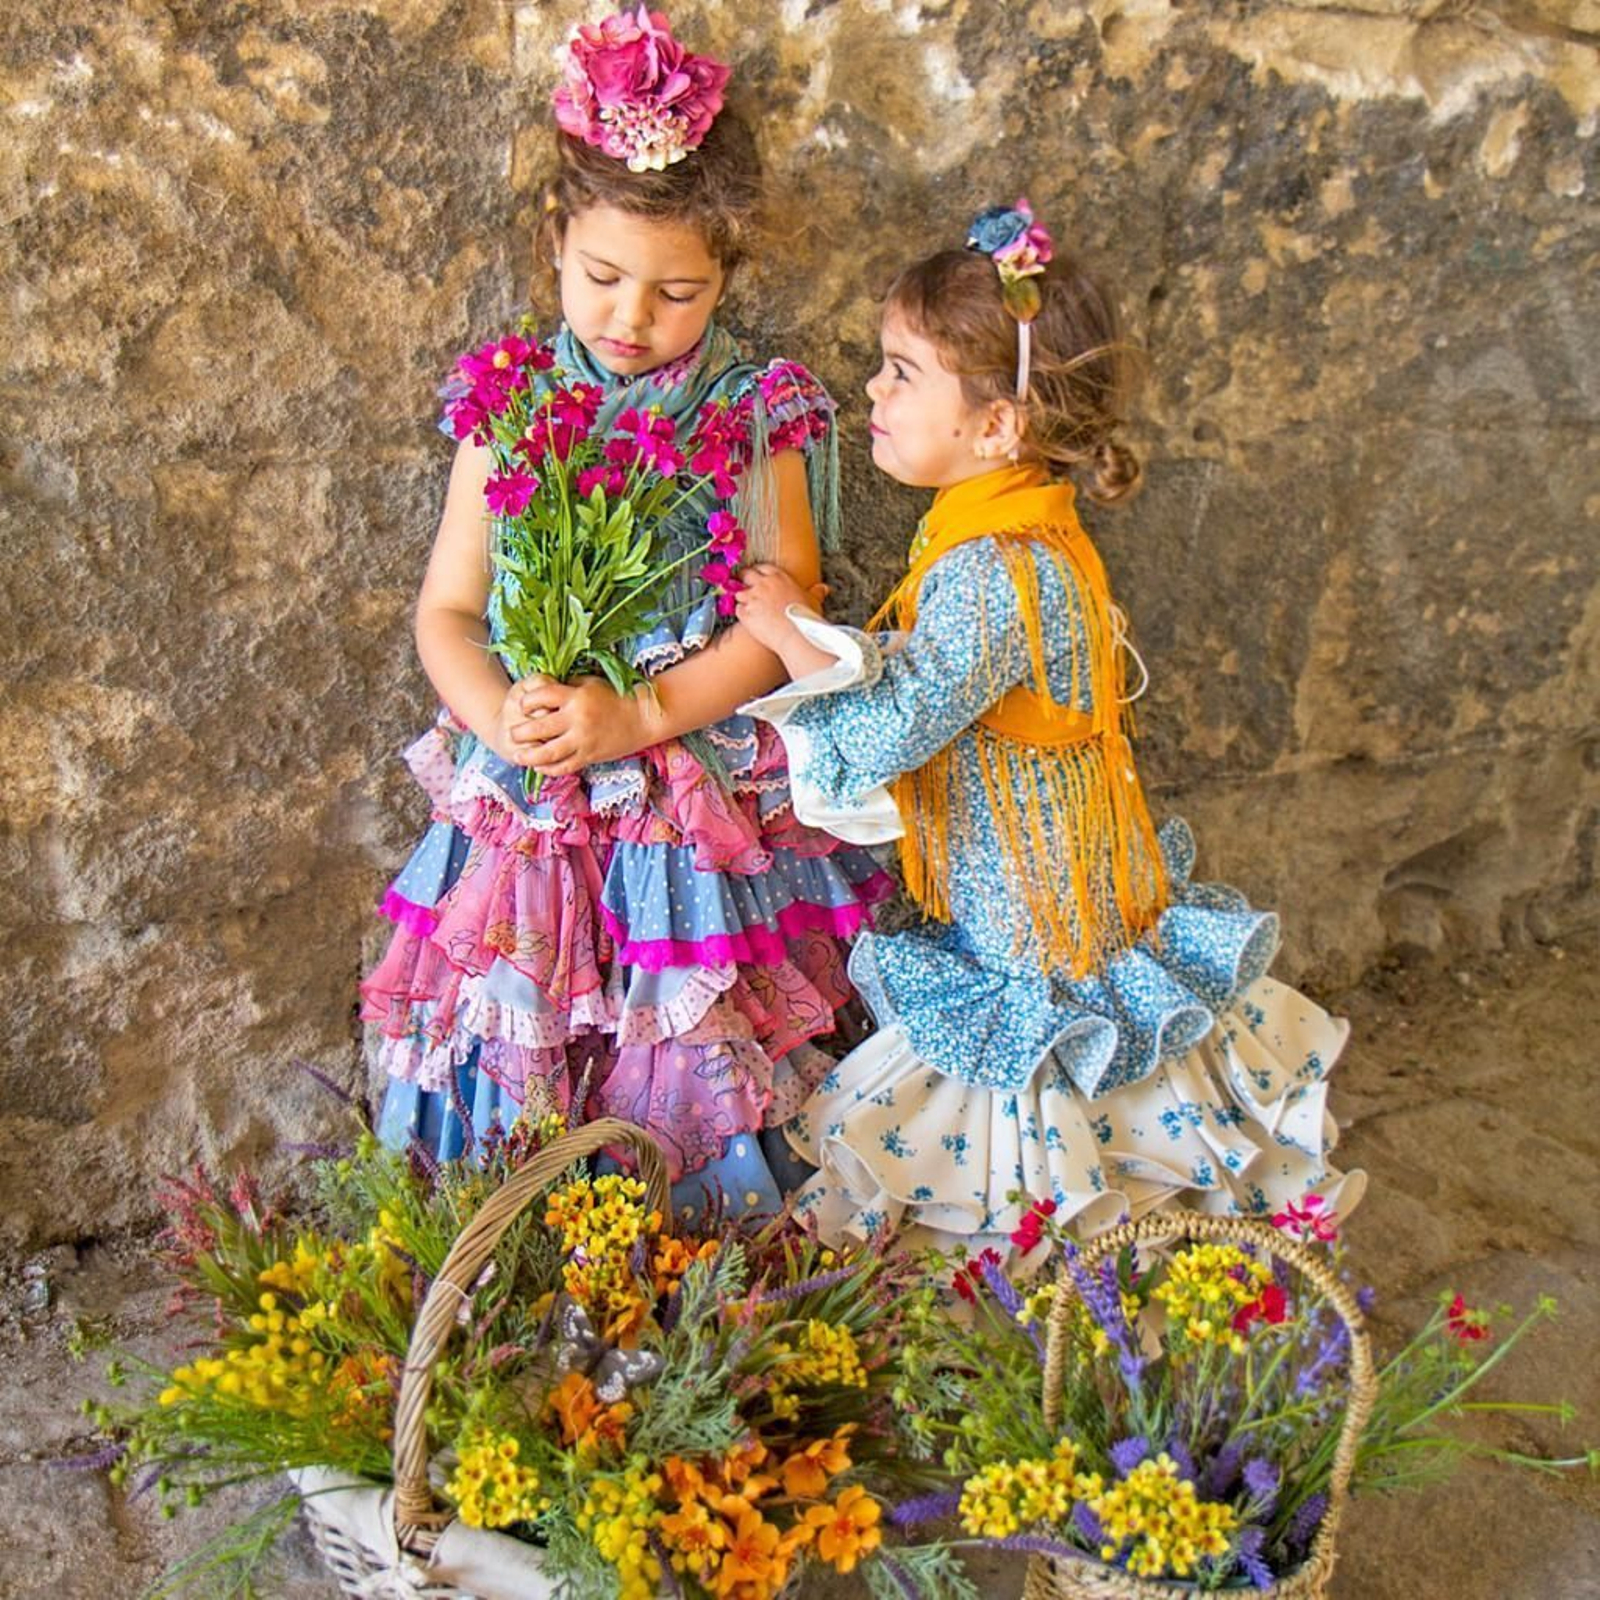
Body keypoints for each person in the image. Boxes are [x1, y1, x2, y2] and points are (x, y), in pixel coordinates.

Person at [734, 200, 1365, 1249]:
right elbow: (949, 678)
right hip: (1054, 878)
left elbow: (895, 729)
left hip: (1034, 911)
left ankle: (1062, 1256)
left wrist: (793, 640)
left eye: (902, 372)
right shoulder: (1014, 521)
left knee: (1046, 1073)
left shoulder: (994, 567)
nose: (874, 394)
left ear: (996, 426)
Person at [360, 8, 891, 1215]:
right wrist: (505, 720)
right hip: (529, 774)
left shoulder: (756, 411)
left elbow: (784, 620)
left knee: (682, 1019)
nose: (631, 318)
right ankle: (518, 1229)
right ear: (557, 238)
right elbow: (447, 606)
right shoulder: (509, 403)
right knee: (524, 1010)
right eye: (602, 277)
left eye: (678, 291)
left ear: (730, 278)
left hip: (677, 780)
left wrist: (638, 716)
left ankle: (686, 1241)